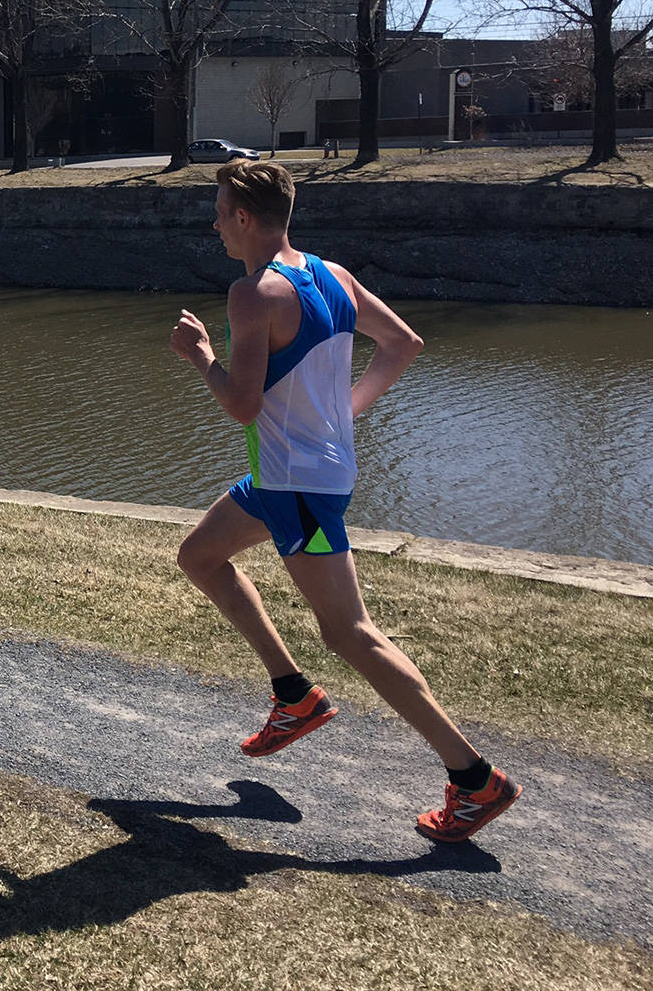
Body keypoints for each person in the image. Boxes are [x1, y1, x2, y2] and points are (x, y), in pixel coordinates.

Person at [168, 159, 520, 843]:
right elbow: (402, 343)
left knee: (350, 632)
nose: (213, 225)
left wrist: (200, 354)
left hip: (298, 485)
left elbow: (241, 405)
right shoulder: (331, 274)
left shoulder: (253, 292)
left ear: (244, 218)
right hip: (285, 479)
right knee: (200, 557)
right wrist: (342, 414)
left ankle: (476, 780)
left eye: (218, 212)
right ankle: (293, 696)